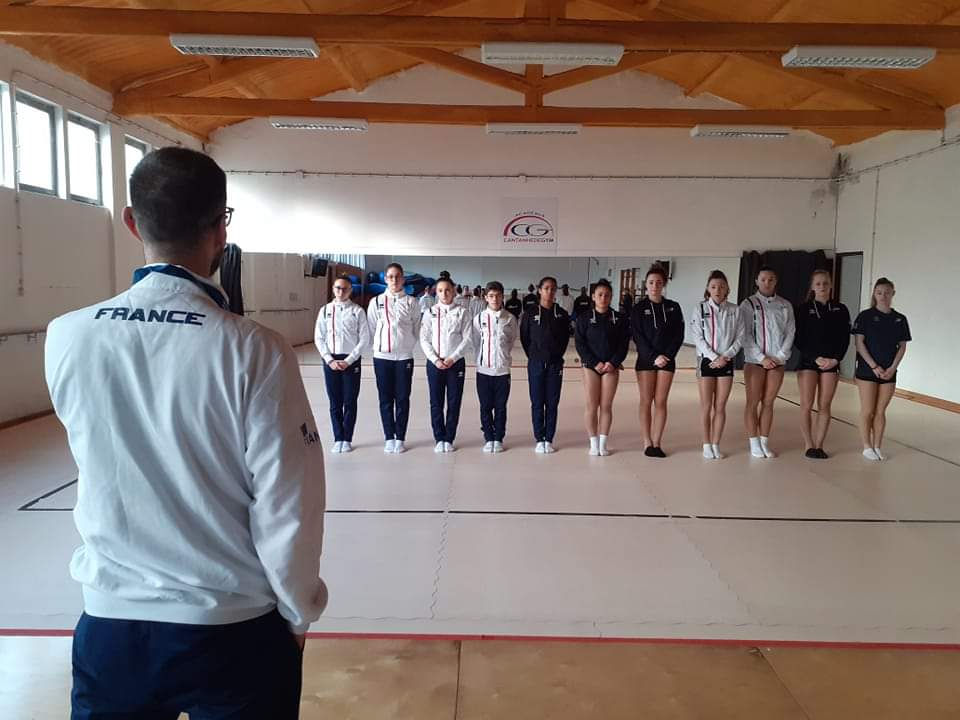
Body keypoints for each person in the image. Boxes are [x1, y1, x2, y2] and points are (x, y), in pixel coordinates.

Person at [45, 147, 326, 719]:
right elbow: (288, 501)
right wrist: (298, 611)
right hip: (231, 627)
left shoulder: (67, 337)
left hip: (111, 628)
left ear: (131, 221)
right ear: (221, 229)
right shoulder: (255, 350)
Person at [739, 266, 795, 459]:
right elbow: (744, 333)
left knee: (769, 402)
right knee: (753, 402)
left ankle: (764, 442)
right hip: (755, 361)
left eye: (771, 279)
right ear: (757, 281)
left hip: (777, 361)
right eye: (763, 279)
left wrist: (779, 356)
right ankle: (753, 441)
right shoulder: (748, 304)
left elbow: (790, 331)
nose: (767, 283)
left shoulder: (785, 305)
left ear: (776, 281)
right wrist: (761, 357)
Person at [794, 270, 851, 459]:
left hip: (831, 362)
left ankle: (819, 445)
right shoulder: (802, 309)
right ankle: (808, 444)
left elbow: (844, 338)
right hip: (809, 362)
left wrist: (836, 359)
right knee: (807, 404)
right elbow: (798, 338)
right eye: (818, 284)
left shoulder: (841, 309)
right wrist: (815, 357)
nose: (822, 287)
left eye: (825, 283)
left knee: (825, 405)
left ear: (831, 285)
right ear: (812, 287)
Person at [853, 277, 910, 461]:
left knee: (880, 411)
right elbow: (859, 343)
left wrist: (893, 367)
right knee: (867, 410)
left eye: (887, 292)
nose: (883, 296)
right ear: (874, 295)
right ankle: (866, 446)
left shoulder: (900, 319)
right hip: (867, 371)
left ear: (893, 293)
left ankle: (877, 445)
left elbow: (902, 346)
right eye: (879, 293)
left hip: (889, 371)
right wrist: (874, 366)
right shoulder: (865, 316)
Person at [631, 264, 684, 457]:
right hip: (646, 361)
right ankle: (647, 442)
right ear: (646, 284)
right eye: (651, 283)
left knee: (661, 401)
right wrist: (654, 356)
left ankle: (657, 442)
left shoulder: (673, 307)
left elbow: (678, 335)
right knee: (646, 401)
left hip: (667, 361)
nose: (655, 286)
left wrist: (666, 356)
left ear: (664, 284)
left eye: (658, 283)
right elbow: (637, 336)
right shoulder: (638, 309)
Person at [368, 262, 421, 453]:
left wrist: (405, 344)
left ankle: (400, 437)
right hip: (382, 357)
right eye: (390, 276)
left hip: (404, 357)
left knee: (403, 398)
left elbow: (416, 328)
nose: (394, 280)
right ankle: (389, 436)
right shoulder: (376, 302)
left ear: (403, 279)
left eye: (398, 276)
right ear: (385, 279)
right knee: (385, 399)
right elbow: (372, 327)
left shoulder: (412, 302)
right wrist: (382, 346)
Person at [691, 270, 743, 460]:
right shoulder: (700, 308)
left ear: (727, 288)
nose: (718, 290)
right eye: (713, 286)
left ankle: (716, 443)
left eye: (721, 286)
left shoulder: (735, 310)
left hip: (727, 361)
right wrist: (713, 357)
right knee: (706, 406)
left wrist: (726, 356)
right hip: (706, 360)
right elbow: (697, 336)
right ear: (708, 289)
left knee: (720, 406)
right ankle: (706, 443)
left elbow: (740, 337)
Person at [316, 275, 370, 453]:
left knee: (349, 400)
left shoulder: (358, 311)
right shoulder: (325, 311)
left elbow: (364, 339)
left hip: (350, 361)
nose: (341, 291)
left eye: (345, 288)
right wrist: (329, 359)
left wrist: (349, 360)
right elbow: (319, 337)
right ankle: (337, 437)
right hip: (330, 361)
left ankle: (347, 438)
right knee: (335, 401)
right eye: (338, 288)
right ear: (333, 289)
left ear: (350, 290)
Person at [575, 278, 630, 456]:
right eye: (600, 294)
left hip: (611, 366)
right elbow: (580, 344)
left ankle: (603, 442)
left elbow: (623, 344)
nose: (603, 298)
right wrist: (593, 362)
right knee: (592, 404)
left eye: (607, 295)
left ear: (611, 297)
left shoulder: (619, 319)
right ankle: (593, 442)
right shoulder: (584, 319)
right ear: (593, 296)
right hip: (591, 366)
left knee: (606, 405)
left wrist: (613, 362)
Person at [420, 277, 472, 452]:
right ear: (436, 291)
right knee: (436, 401)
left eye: (447, 290)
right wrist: (435, 359)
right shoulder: (430, 312)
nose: (444, 293)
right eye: (440, 290)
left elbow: (467, 339)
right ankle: (438, 437)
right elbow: (424, 338)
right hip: (435, 363)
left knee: (454, 401)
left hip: (455, 364)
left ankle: (449, 437)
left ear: (454, 290)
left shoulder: (463, 312)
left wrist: (453, 358)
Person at [520, 276, 571, 453]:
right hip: (535, 363)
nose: (550, 292)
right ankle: (538, 438)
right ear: (540, 290)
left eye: (553, 288)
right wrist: (534, 356)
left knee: (552, 402)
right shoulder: (530, 313)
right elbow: (525, 338)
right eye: (546, 288)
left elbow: (565, 339)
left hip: (555, 365)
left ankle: (548, 438)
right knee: (536, 402)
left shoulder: (562, 314)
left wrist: (556, 356)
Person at [474, 281, 519, 453]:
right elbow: (477, 341)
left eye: (498, 295)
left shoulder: (510, 318)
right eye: (491, 296)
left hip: (502, 370)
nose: (495, 299)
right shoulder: (479, 318)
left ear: (503, 297)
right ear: (486, 297)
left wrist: (502, 358)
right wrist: (484, 358)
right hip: (483, 370)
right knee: (485, 405)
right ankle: (488, 437)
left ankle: (498, 437)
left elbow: (511, 340)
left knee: (500, 406)